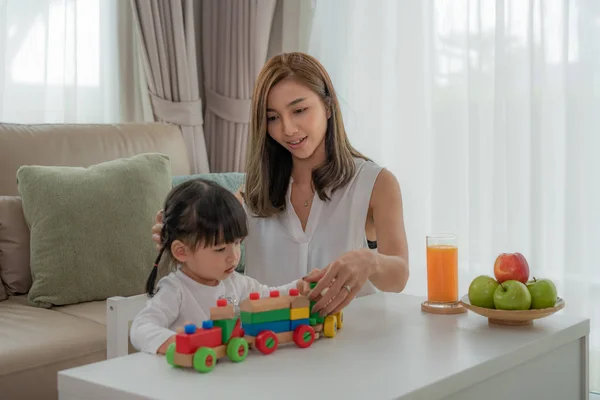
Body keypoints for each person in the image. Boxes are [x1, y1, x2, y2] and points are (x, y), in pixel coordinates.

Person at [152, 52, 409, 320]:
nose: (287, 129)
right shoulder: (252, 192)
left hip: (348, 344)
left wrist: (371, 261)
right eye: (273, 117)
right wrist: (179, 233)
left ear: (328, 106)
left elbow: (399, 276)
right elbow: (207, 240)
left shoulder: (376, 183)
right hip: (268, 345)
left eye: (299, 110)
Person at [131, 178, 312, 355]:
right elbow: (141, 326)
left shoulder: (236, 283)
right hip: (188, 379)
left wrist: (299, 286)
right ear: (181, 251)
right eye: (219, 249)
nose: (233, 256)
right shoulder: (176, 290)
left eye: (237, 243)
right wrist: (174, 342)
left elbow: (268, 296)